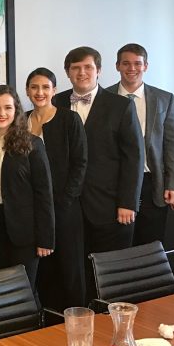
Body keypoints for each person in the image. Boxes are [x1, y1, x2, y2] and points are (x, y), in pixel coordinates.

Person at [52, 46, 144, 302]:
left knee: (110, 271)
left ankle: (109, 323)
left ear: (99, 71)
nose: (82, 73)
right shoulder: (54, 103)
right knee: (72, 270)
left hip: (109, 204)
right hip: (67, 204)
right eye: (75, 68)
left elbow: (134, 158)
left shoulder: (121, 105)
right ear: (68, 73)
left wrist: (127, 202)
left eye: (88, 67)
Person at [0, 85, 54, 297]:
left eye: (8, 108)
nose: (2, 114)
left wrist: (45, 238)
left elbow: (44, 193)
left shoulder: (32, 144)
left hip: (24, 229)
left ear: (16, 110)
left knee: (23, 290)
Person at [106, 43, 174, 246]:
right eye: (126, 63)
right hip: (115, 182)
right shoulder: (104, 98)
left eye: (137, 64)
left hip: (152, 182)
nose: (132, 68)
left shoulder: (164, 99)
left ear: (146, 66)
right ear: (117, 66)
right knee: (120, 243)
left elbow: (172, 143)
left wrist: (173, 185)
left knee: (151, 244)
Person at [25, 68, 88, 310]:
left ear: (54, 90)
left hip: (65, 208)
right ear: (28, 91)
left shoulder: (69, 119)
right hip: (35, 211)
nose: (39, 92)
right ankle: (50, 326)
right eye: (34, 87)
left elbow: (80, 164)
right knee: (44, 270)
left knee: (70, 269)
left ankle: (78, 321)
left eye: (45, 87)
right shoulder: (21, 120)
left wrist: (63, 202)